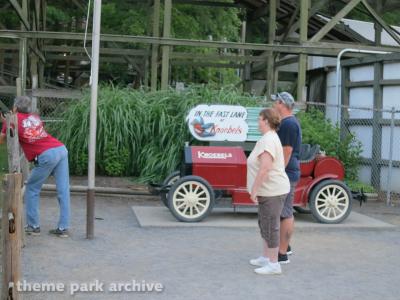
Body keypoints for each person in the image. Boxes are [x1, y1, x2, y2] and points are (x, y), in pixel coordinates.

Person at [0, 96, 71, 238]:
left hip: (46, 155)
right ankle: (63, 228)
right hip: (60, 149)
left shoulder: (12, 120)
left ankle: (33, 226)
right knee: (63, 190)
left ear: (14, 108)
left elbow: (2, 139)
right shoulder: (35, 117)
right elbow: (25, 126)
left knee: (32, 188)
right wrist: (5, 121)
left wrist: (5, 123)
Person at [247, 108, 290, 275]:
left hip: (273, 190)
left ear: (266, 121)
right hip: (269, 191)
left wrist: (254, 190)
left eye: (259, 119)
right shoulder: (267, 138)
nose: (258, 122)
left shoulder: (269, 140)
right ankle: (266, 257)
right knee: (264, 223)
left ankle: (274, 264)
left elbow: (265, 168)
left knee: (271, 226)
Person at [272, 92, 302, 264]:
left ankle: (281, 254)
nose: (274, 105)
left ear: (281, 103)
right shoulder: (287, 123)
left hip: (286, 173)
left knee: (286, 213)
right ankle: (285, 246)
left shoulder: (289, 124)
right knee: (284, 212)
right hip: (288, 172)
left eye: (276, 102)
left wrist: (278, 172)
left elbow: (287, 150)